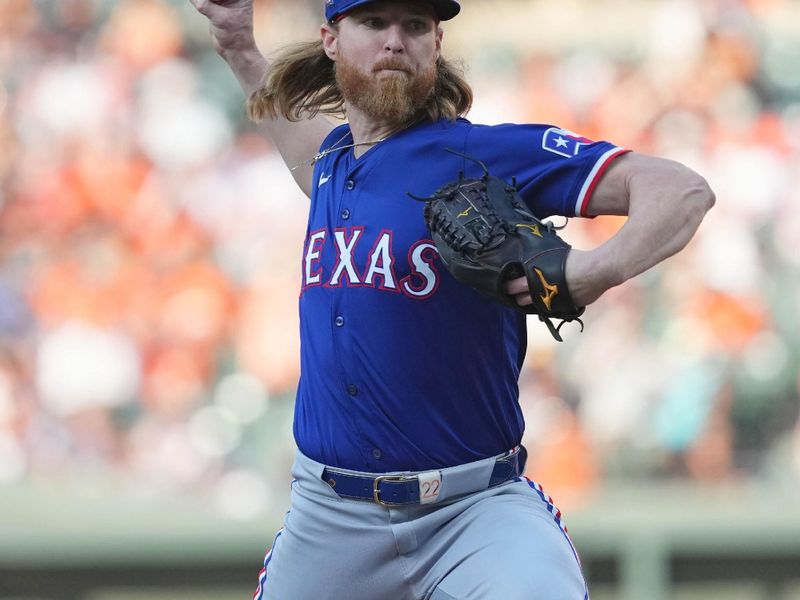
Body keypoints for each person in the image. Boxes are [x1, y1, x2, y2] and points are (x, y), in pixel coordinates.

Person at [189, 0, 715, 598]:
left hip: (474, 511)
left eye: (414, 26)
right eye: (372, 23)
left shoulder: (485, 154)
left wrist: (594, 270)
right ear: (331, 40)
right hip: (328, 519)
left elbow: (681, 190)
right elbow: (295, 140)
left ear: (436, 44)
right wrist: (240, 51)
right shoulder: (333, 161)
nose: (395, 41)